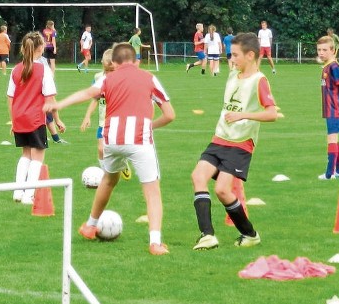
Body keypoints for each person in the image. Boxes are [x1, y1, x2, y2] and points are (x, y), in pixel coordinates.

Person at [45, 43, 175, 255]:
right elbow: (170, 115)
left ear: (114, 63)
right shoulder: (149, 78)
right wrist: (150, 125)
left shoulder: (107, 78)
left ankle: (90, 225)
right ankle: (155, 242)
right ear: (136, 61)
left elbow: (87, 93)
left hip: (111, 139)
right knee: (152, 191)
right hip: (139, 140)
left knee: (108, 179)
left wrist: (59, 105)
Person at [191, 33, 277, 251]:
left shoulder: (260, 81)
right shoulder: (232, 75)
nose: (232, 58)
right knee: (198, 176)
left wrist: (243, 115)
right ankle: (207, 235)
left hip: (240, 143)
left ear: (250, 55)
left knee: (222, 190)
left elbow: (272, 114)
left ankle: (250, 234)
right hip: (220, 138)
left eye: (236, 55)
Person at [7, 31, 62, 205]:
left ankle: (18, 191)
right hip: (36, 118)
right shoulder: (43, 70)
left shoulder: (16, 69)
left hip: (20, 118)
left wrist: (13, 120)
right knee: (37, 157)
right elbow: (50, 98)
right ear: (41, 49)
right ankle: (29, 195)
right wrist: (58, 119)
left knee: (25, 154)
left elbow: (10, 97)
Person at [80, 48, 131, 180]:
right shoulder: (98, 78)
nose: (109, 73)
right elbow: (95, 98)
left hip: (120, 121)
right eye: (106, 70)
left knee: (118, 149)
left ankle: (123, 163)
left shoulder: (123, 80)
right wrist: (87, 116)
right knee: (101, 149)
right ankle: (105, 176)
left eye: (112, 70)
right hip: (104, 121)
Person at [316, 36, 339, 180]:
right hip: (330, 109)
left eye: (324, 50)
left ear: (333, 51)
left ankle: (330, 174)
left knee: (331, 139)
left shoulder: (334, 66)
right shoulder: (327, 66)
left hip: (335, 108)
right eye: (319, 50)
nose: (321, 52)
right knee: (334, 138)